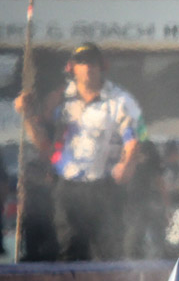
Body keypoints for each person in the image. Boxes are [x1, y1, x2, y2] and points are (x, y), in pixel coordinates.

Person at [14, 42, 141, 261]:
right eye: (81, 62)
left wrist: (127, 164)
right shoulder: (59, 100)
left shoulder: (120, 101)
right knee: (70, 248)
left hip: (105, 187)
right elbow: (43, 142)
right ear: (72, 68)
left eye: (92, 62)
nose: (88, 67)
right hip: (68, 187)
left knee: (108, 250)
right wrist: (27, 116)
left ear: (102, 66)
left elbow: (133, 139)